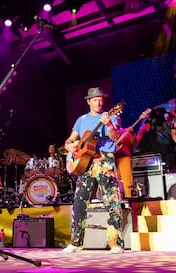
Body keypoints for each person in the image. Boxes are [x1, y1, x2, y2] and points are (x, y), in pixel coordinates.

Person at [62, 87, 125, 254]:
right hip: (86, 162)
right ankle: (76, 242)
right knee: (79, 200)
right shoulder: (81, 120)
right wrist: (69, 144)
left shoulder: (111, 115)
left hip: (104, 160)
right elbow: (71, 138)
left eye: (101, 99)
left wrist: (109, 124)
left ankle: (115, 242)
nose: (99, 102)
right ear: (88, 101)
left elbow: (115, 137)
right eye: (95, 99)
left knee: (111, 200)